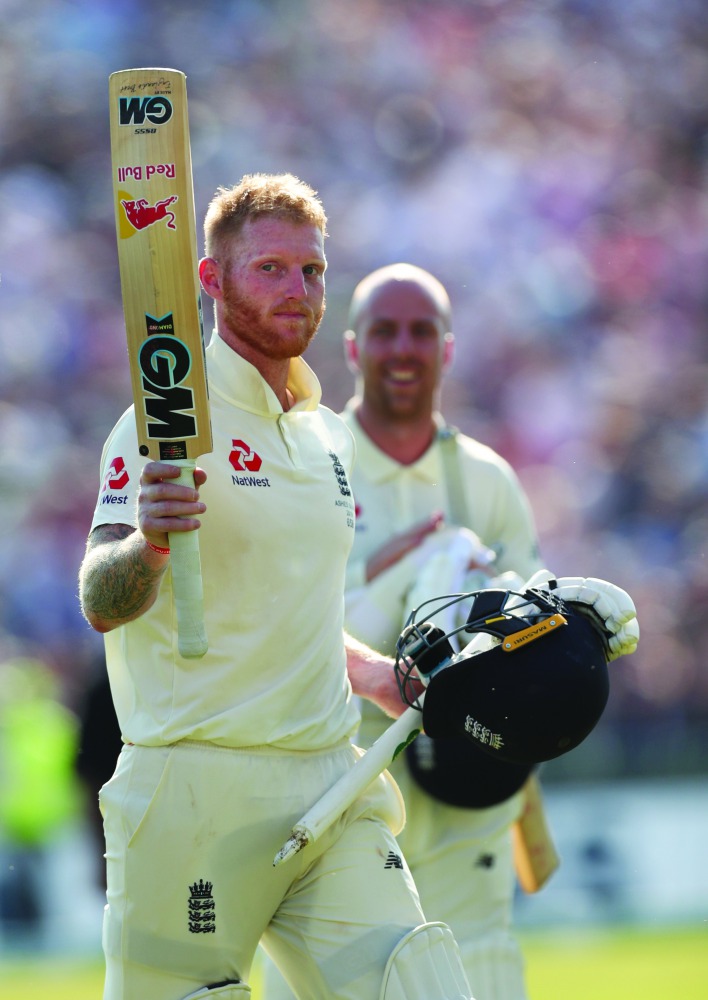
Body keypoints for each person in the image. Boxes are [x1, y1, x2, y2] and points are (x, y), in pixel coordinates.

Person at [78, 176, 474, 1000]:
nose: (299, 290)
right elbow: (100, 599)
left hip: (330, 779)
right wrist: (150, 548)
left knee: (422, 987)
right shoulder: (164, 419)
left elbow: (283, 610)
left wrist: (366, 671)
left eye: (313, 271)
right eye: (271, 269)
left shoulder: (326, 435)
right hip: (196, 792)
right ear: (211, 280)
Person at [260, 262, 552, 1000]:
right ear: (352, 349)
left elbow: (539, 627)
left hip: (465, 777)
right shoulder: (303, 458)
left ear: (447, 348)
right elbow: (272, 619)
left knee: (479, 966)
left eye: (422, 331)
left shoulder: (485, 480)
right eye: (384, 331)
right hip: (338, 772)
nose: (403, 349)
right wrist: (383, 575)